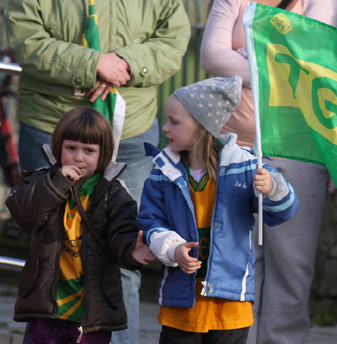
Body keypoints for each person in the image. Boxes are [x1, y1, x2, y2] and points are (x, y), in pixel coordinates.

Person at [4, 1, 191, 343]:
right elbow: (24, 34)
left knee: (122, 250)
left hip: (130, 129)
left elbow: (174, 37)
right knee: (49, 249)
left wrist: (127, 63)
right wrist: (92, 64)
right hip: (51, 124)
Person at [200, 0, 337, 343]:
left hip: (298, 150)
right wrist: (268, 64)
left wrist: (244, 57)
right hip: (233, 148)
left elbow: (303, 60)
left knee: (291, 268)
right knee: (240, 262)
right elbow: (210, 57)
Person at [137, 75, 299, 343]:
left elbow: (285, 211)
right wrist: (172, 249)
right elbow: (150, 221)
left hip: (231, 305)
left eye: (174, 122)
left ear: (202, 127)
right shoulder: (161, 172)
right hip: (181, 305)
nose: (165, 128)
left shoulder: (248, 167)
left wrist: (272, 189)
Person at [5, 107, 156, 344]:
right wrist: (57, 185)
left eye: (89, 150)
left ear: (104, 154)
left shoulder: (114, 193)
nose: (78, 157)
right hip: (47, 308)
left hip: (92, 314)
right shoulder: (42, 180)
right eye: (71, 148)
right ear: (58, 147)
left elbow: (122, 233)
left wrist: (131, 250)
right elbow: (24, 215)